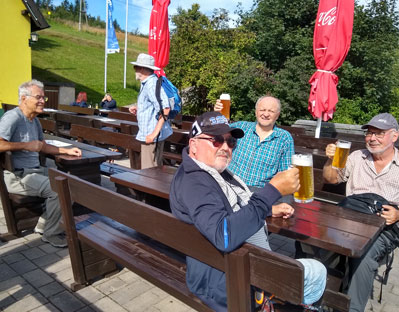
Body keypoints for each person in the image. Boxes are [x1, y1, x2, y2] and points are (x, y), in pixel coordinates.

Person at [170, 111, 327, 311]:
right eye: (217, 140)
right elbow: (223, 235)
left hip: (228, 267)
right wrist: (272, 191)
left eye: (230, 142)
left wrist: (267, 209)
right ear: (193, 145)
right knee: (318, 271)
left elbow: (229, 208)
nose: (225, 147)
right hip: (229, 280)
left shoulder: (203, 172)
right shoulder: (197, 184)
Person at [0, 80, 82, 248]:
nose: (43, 101)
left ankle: (44, 224)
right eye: (38, 97)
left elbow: (41, 146)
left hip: (35, 171)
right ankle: (50, 233)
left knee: (72, 183)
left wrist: (66, 151)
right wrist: (24, 145)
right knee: (59, 190)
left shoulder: (34, 120)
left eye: (43, 97)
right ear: (24, 99)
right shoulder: (13, 117)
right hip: (17, 175)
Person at [323, 113, 399, 312]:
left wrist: (398, 215)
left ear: (394, 137)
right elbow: (331, 179)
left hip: (384, 227)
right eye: (369, 133)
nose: (372, 138)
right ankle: (317, 296)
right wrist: (330, 160)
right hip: (348, 220)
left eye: (379, 134)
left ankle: (353, 308)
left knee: (365, 255)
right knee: (314, 241)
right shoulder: (357, 156)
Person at [215, 96, 294, 189]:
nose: (266, 114)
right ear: (256, 112)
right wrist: (216, 116)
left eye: (271, 111)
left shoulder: (284, 138)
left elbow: (285, 175)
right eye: (262, 110)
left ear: (277, 115)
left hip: (259, 192)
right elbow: (216, 132)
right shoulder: (241, 127)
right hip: (229, 184)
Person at [128, 53, 172, 168]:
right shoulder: (147, 83)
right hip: (148, 134)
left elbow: (165, 109)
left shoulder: (151, 84)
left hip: (151, 137)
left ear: (141, 69)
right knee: (151, 172)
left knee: (150, 173)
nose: (134, 70)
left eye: (135, 67)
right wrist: (139, 108)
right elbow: (154, 105)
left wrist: (153, 134)